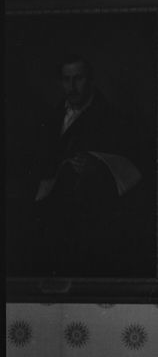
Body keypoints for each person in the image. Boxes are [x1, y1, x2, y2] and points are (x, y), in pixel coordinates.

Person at [31, 54, 144, 275]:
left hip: (90, 223)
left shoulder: (112, 120)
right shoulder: (49, 117)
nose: (72, 86)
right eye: (66, 79)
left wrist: (97, 167)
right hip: (50, 219)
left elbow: (133, 172)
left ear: (90, 80)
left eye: (78, 78)